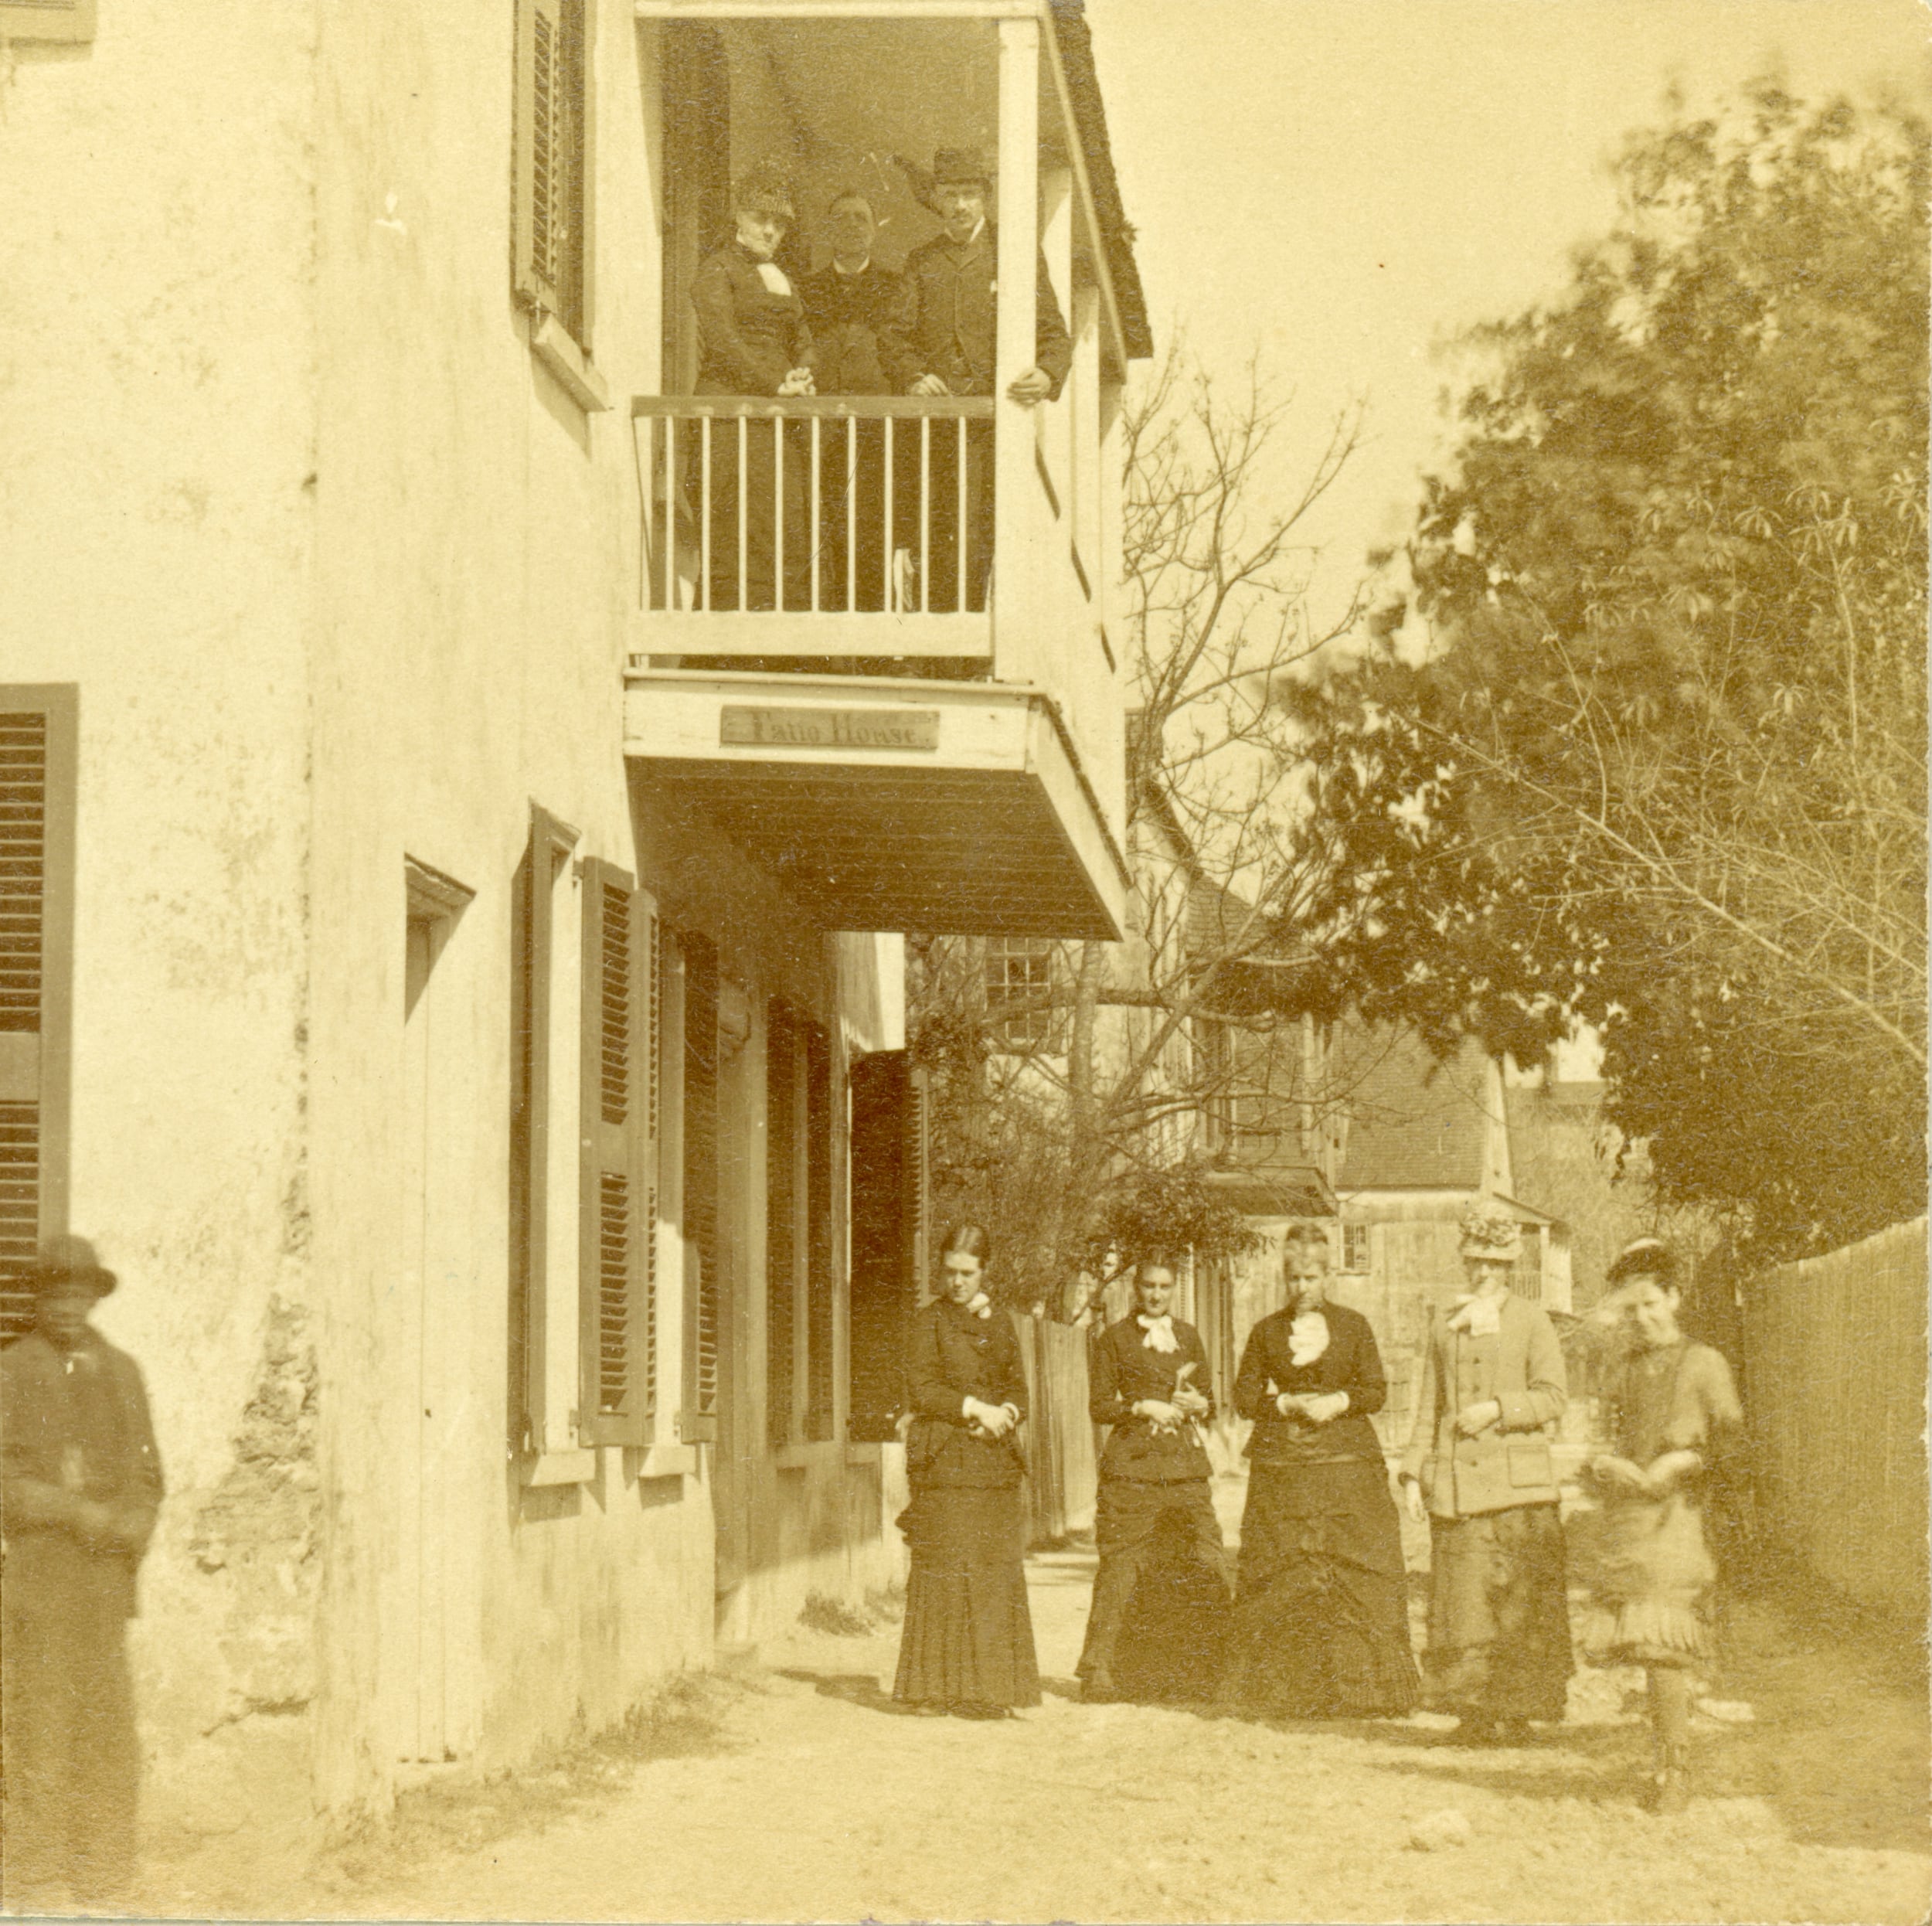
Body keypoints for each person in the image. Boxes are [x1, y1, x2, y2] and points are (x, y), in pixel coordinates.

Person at [1, 1235, 164, 1909]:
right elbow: (6, 1483)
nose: (68, 1305)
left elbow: (150, 1473)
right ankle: (37, 1874)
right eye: (55, 1293)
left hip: (103, 1584)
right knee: (39, 1721)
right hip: (39, 1581)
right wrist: (76, 1513)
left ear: (95, 1297)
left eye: (80, 1292)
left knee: (105, 1725)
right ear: (38, 1300)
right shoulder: (12, 1370)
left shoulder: (121, 1371)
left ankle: (103, 1869)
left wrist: (136, 1522)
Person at [1219, 1225, 1420, 1719]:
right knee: (1282, 1569)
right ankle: (1283, 1691)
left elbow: (1376, 1390)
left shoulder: (1353, 1326)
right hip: (1283, 1470)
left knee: (1357, 1570)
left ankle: (1364, 1691)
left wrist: (1339, 1400)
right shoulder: (1266, 1331)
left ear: (1327, 1275)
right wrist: (1283, 1400)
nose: (1302, 1287)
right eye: (1293, 1278)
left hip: (1347, 1468)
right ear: (1284, 1278)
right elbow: (1244, 1397)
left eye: (1311, 1277)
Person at [1400, 1201, 1573, 1744]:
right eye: (1475, 1261)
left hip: (1520, 1490)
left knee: (1518, 1601)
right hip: (1458, 1487)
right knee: (1465, 1603)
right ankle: (1473, 1714)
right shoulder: (1445, 1325)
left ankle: (1517, 1711)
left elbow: (1553, 1398)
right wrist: (1412, 1473)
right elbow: (1428, 1405)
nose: (1483, 1273)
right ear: (1464, 1260)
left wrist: (1497, 1409)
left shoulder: (1532, 1319)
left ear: (1509, 1267)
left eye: (1495, 1264)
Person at [1583, 1237, 1744, 1814]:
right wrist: (1607, 1464)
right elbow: (1600, 1438)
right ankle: (1661, 1757)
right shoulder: (1623, 1368)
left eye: (1652, 1303)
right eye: (1631, 1309)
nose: (1642, 1317)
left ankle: (1674, 1770)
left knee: (1664, 1643)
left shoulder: (1705, 1363)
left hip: (1682, 1517)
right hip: (1631, 1520)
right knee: (1647, 1650)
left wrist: (1686, 1462)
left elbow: (1733, 1445)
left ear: (1675, 1298)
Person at [880, 148, 1072, 611]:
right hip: (939, 424)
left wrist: (1047, 373)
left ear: (985, 198)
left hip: (994, 423)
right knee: (935, 529)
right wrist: (914, 375)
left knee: (985, 532)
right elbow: (892, 335)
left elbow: (1054, 334)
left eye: (969, 194)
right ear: (938, 201)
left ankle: (967, 652)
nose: (961, 206)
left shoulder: (1014, 253)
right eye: (950, 195)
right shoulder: (922, 260)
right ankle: (935, 645)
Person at [892, 1223, 1040, 1718]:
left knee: (992, 1572)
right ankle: (933, 1689)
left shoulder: (1001, 1323)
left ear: (984, 1271)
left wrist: (1008, 1416)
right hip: (945, 1462)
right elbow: (924, 1390)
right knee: (946, 1569)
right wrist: (977, 1409)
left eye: (968, 1273)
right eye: (950, 1272)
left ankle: (989, 1692)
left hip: (993, 1464)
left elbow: (1018, 1389)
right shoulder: (927, 1322)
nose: (957, 1282)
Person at [1075, 1258, 1229, 1704]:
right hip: (1134, 1468)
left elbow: (1211, 1402)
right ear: (1136, 1288)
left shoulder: (1188, 1337)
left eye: (1164, 1287)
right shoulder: (1115, 1339)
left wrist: (1199, 1402)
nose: (1156, 1295)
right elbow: (1100, 1407)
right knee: (1122, 1563)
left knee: (1205, 1556)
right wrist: (1143, 1407)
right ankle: (1100, 1668)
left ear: (1174, 1288)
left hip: (1185, 1467)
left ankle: (1209, 1669)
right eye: (1148, 1286)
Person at [690, 162, 816, 611]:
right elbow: (722, 338)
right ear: (739, 216)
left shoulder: (784, 279)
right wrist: (771, 383)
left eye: (779, 224)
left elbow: (803, 339)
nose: (769, 231)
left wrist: (801, 371)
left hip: (778, 414)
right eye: (761, 219)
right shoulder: (718, 268)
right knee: (734, 521)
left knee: (779, 522)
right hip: (730, 407)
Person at [798, 191, 902, 611]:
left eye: (861, 218)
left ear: (875, 230)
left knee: (872, 528)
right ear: (826, 230)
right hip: (819, 427)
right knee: (819, 527)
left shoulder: (895, 286)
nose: (852, 226)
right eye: (841, 218)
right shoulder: (804, 288)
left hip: (875, 429)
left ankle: (872, 637)